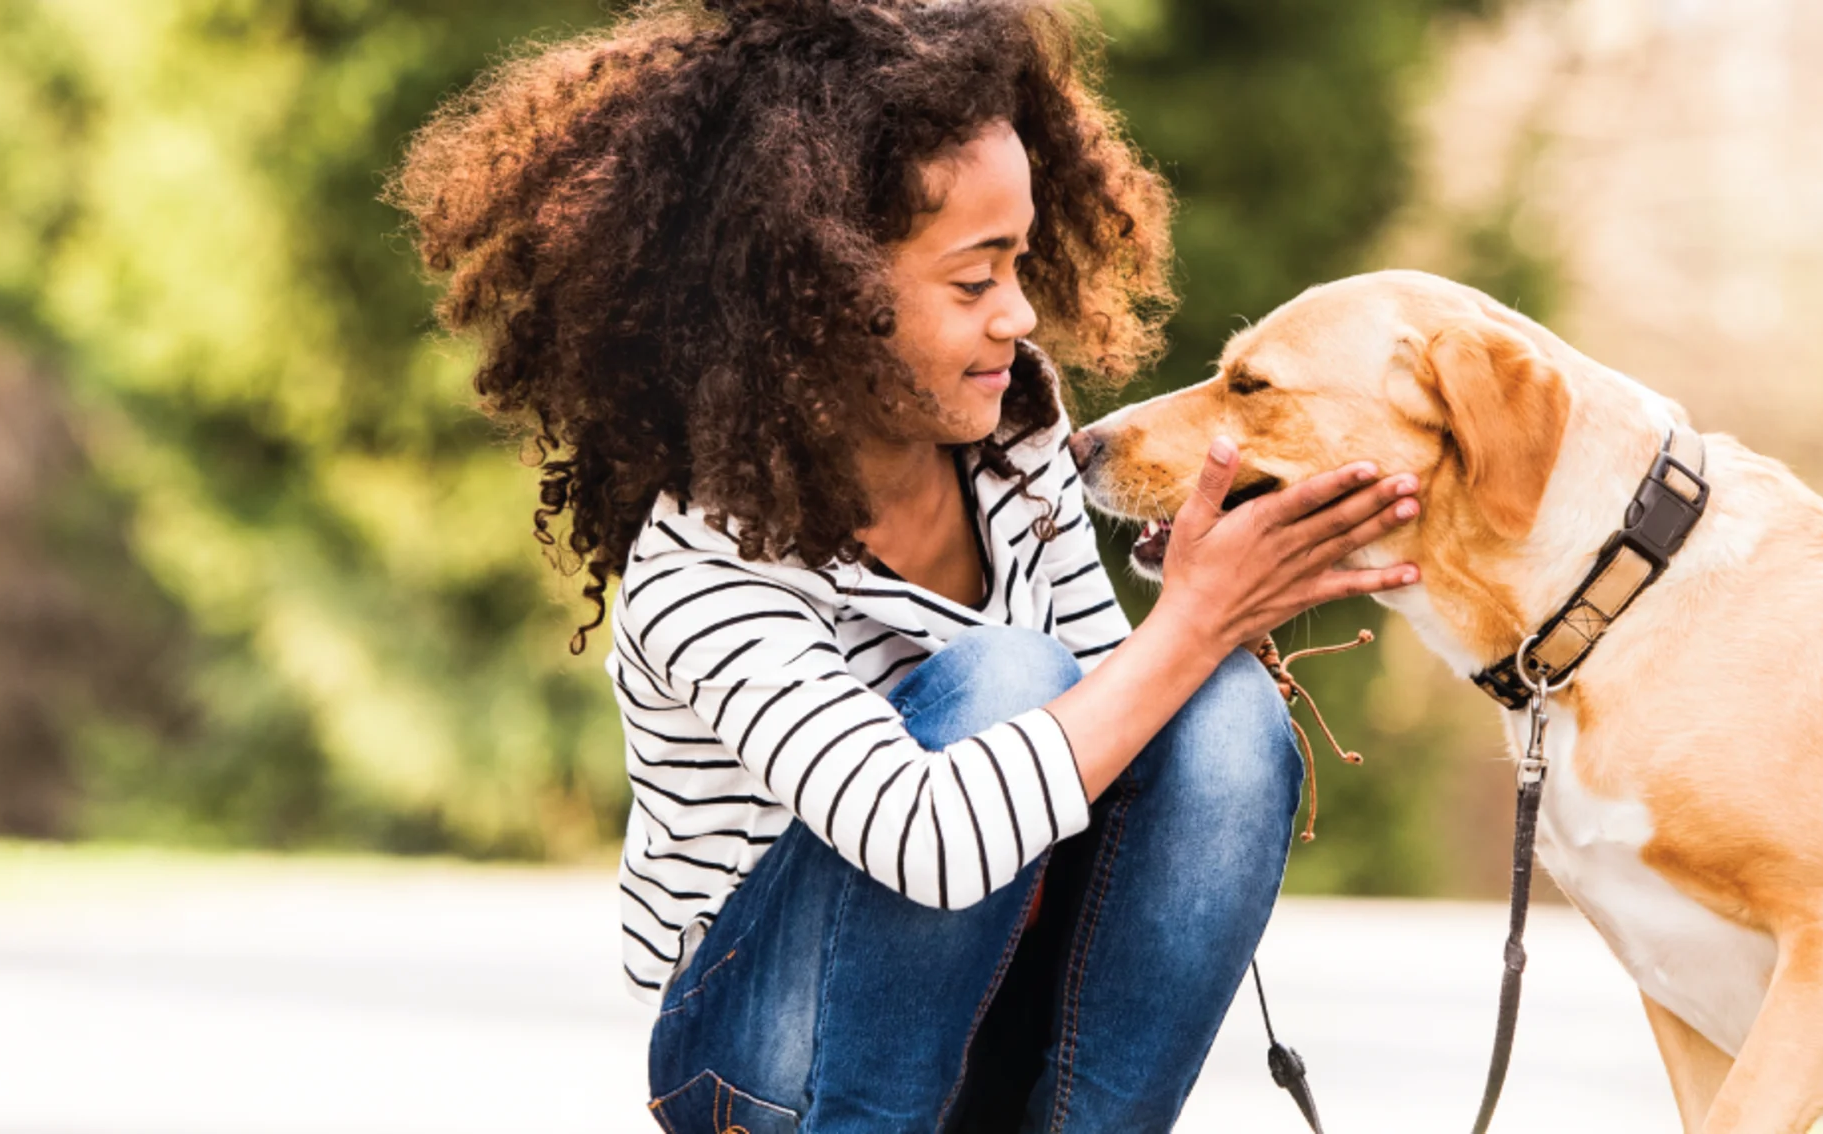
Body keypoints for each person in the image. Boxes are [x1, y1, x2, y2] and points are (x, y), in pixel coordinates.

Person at [392, 1, 1421, 1128]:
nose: (1021, 314)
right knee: (1008, 679)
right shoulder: (705, 565)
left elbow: (1114, 730)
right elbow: (924, 837)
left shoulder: (1014, 433)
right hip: (760, 1063)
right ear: (816, 299)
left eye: (1021, 263)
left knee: (1217, 712)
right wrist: (1186, 625)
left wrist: (1219, 610)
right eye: (974, 282)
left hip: (988, 1002)